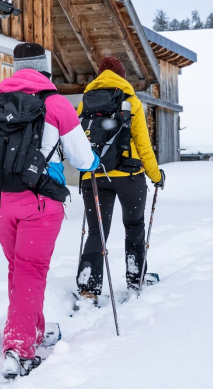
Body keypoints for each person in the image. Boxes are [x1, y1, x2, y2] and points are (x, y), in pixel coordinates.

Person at [0, 42, 99, 380]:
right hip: (40, 204)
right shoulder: (57, 105)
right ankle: (19, 349)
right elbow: (82, 159)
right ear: (45, 69)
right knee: (30, 271)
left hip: (2, 204)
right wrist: (94, 162)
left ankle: (33, 330)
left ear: (16, 69)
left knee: (20, 269)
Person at [76, 56, 165, 302]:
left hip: (95, 177)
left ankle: (88, 288)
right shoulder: (131, 102)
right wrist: (156, 176)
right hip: (129, 176)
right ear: (122, 76)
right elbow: (143, 145)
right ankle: (135, 280)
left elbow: (78, 140)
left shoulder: (85, 102)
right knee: (134, 227)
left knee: (96, 231)